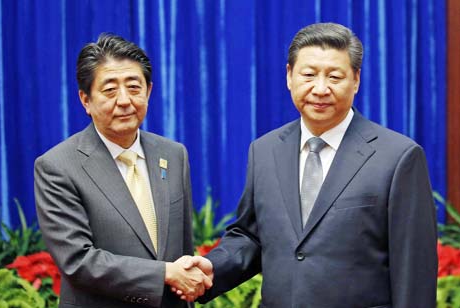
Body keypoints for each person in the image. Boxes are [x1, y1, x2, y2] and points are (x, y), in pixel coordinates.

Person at [181, 22, 438, 307]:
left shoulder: (398, 156)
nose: (320, 88)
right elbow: (251, 236)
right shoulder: (265, 150)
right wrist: (211, 270)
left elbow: (414, 268)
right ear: (290, 76)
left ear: (356, 80)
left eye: (334, 76)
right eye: (309, 74)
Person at [34, 33, 212, 308]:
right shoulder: (57, 166)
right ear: (85, 100)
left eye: (134, 87)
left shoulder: (173, 155)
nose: (125, 100)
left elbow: (183, 249)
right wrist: (164, 274)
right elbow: (78, 261)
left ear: (149, 91)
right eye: (109, 90)